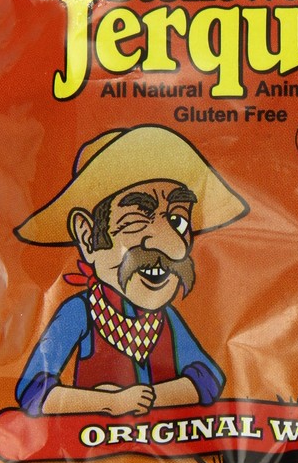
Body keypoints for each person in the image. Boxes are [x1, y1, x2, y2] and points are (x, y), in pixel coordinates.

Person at [13, 125, 248, 416]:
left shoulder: (166, 319)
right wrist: (108, 403)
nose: (174, 247)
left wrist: (145, 399)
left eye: (178, 221)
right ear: (87, 236)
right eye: (137, 220)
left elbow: (208, 379)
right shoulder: (80, 312)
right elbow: (33, 391)